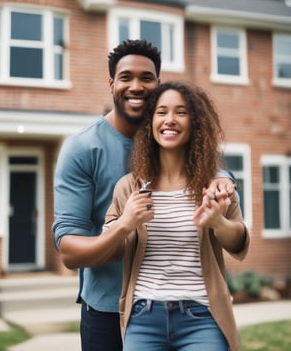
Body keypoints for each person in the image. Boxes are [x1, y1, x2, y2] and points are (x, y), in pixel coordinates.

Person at [52, 41, 237, 351]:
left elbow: (212, 169)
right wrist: (124, 225)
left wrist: (222, 177)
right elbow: (70, 251)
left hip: (186, 311)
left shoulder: (175, 136)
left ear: (158, 84)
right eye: (126, 77)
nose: (136, 86)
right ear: (111, 83)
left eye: (146, 78)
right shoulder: (82, 149)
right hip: (108, 311)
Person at [101, 81, 250, 351]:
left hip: (203, 318)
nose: (170, 120)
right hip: (143, 318)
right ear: (149, 122)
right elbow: (107, 250)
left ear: (196, 122)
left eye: (181, 112)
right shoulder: (129, 187)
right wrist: (126, 224)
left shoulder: (214, 186)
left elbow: (239, 242)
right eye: (161, 112)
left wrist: (218, 222)